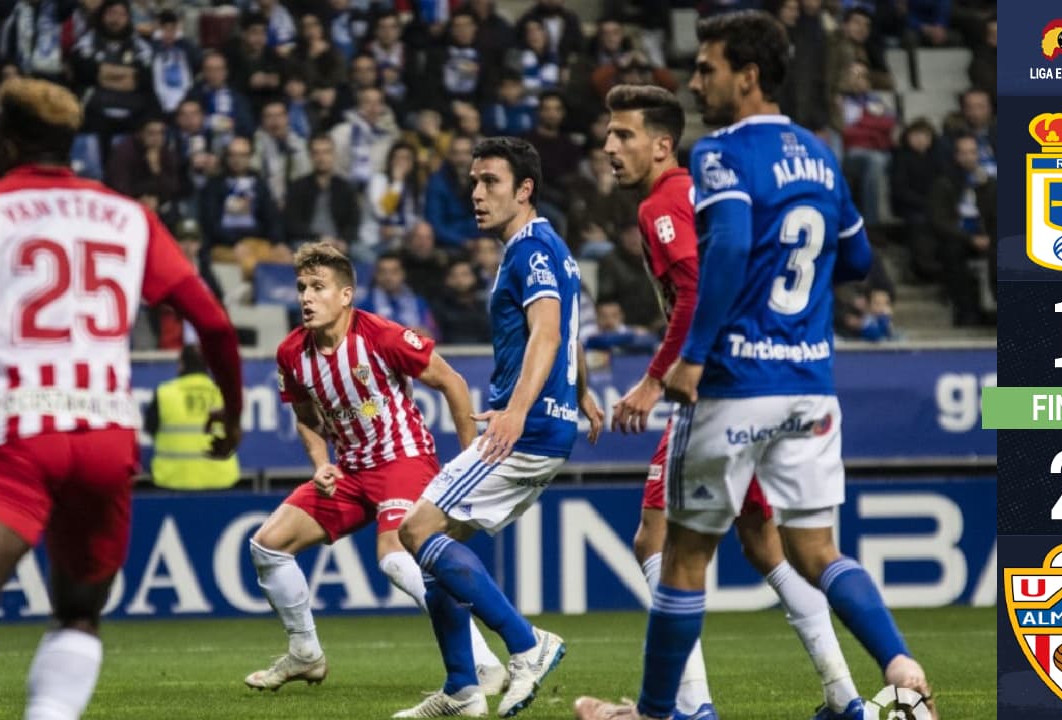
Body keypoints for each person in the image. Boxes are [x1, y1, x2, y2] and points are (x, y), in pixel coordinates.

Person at [575, 12, 935, 720]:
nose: (698, 79)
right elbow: (858, 259)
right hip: (810, 383)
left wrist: (690, 359)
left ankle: (660, 713)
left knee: (680, 556)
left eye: (707, 68)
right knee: (813, 548)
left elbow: (727, 249)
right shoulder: (819, 153)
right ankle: (897, 667)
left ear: (746, 75)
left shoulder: (717, 154)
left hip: (736, 383)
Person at [0, 77, 243, 720]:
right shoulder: (131, 216)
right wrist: (231, 414)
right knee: (77, 614)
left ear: (8, 140)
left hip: (18, 429)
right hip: (107, 436)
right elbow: (213, 323)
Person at [600, 83, 861, 720]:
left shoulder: (663, 206)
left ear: (662, 145)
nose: (609, 147)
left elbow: (692, 293)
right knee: (765, 544)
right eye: (608, 135)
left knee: (656, 543)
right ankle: (844, 696)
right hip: (764, 382)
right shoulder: (698, 191)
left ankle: (691, 706)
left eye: (624, 135)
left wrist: (655, 378)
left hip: (719, 394)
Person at [395, 136, 605, 719]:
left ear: (525, 189)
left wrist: (515, 409)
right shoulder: (549, 249)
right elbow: (569, 329)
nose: (477, 193)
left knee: (416, 530)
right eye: (474, 181)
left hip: (526, 427)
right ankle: (463, 689)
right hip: (547, 423)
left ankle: (526, 644)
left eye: (490, 181)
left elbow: (547, 332)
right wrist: (583, 392)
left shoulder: (530, 250)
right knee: (440, 550)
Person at [242, 243, 507, 696]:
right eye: (302, 287)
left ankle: (485, 665)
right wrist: (321, 463)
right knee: (268, 546)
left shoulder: (381, 335)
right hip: (350, 470)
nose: (306, 297)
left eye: (318, 288)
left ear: (346, 296)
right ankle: (306, 653)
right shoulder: (291, 354)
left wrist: (468, 465)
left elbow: (453, 382)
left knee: (395, 555)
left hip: (403, 457)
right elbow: (305, 417)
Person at [145, 345, 242, 490]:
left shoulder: (164, 393)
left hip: (172, 481)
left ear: (181, 364)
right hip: (222, 480)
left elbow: (149, 429)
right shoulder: (224, 392)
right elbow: (236, 430)